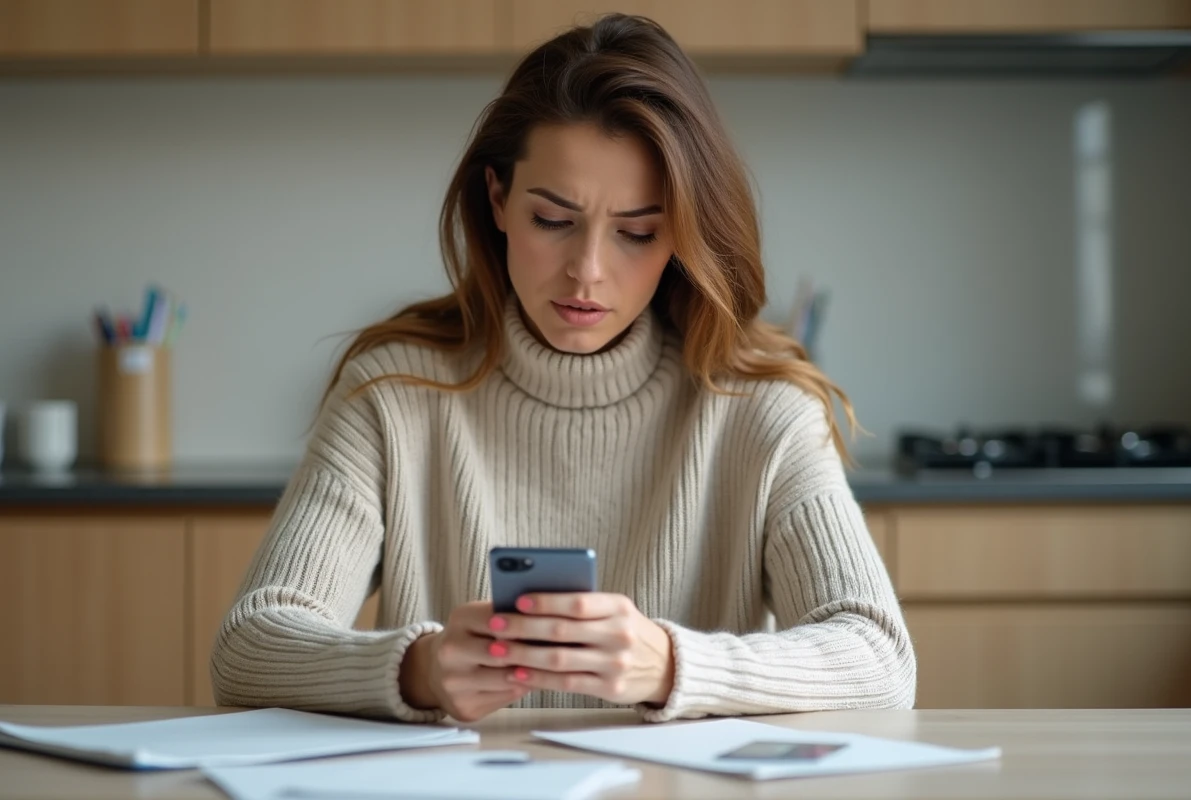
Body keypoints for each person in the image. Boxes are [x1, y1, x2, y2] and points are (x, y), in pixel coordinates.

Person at [210, 13, 916, 724]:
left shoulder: (763, 411)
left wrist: (671, 667)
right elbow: (248, 646)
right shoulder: (391, 396)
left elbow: (880, 659)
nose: (587, 272)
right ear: (498, 201)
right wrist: (417, 670)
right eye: (553, 220)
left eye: (637, 233)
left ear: (681, 235)